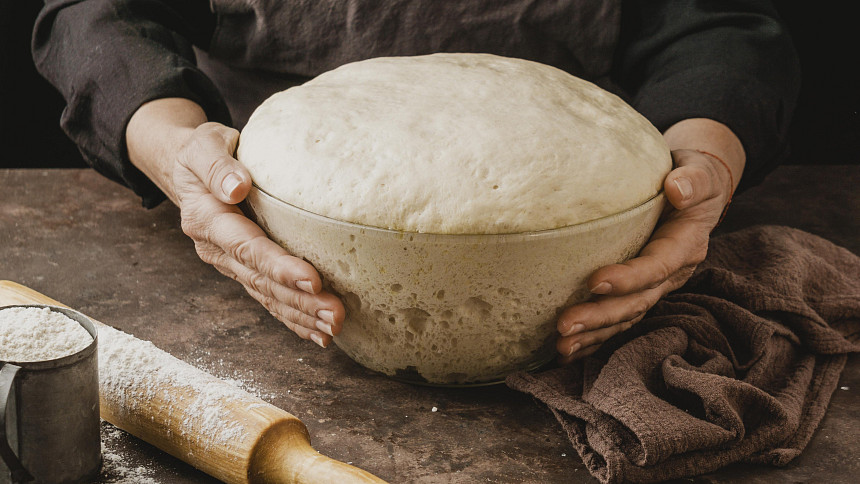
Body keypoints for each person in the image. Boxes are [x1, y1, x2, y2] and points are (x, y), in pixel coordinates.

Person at [32, 0, 800, 359]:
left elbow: (721, 21)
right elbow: (96, 12)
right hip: (264, 191)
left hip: (596, 190)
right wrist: (178, 152)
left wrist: (703, 165)